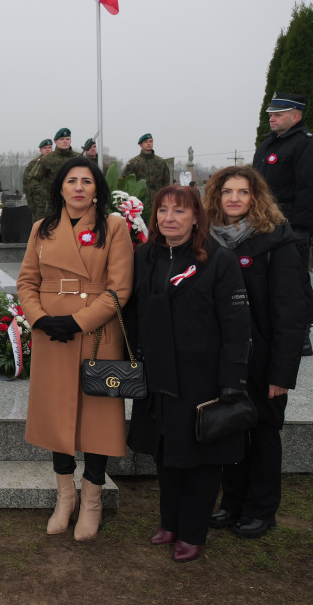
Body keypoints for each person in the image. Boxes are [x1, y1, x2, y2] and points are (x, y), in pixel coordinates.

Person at [127, 185, 250, 563]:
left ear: (196, 216)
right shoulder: (144, 256)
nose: (169, 218)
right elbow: (132, 311)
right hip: (159, 373)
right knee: (166, 452)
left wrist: (233, 379)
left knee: (200, 455)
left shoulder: (218, 260)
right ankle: (170, 522)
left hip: (203, 376)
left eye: (179, 212)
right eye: (163, 211)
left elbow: (236, 323)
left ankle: (193, 531)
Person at [16, 157, 134, 541]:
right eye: (71, 181)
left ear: (97, 188)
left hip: (97, 333)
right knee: (56, 415)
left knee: (97, 417)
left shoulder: (114, 227)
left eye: (86, 181)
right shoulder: (41, 228)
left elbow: (120, 289)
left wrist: (79, 320)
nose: (79, 187)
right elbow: (26, 283)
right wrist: (40, 318)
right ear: (61, 188)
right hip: (51, 336)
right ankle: (64, 498)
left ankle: (92, 500)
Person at [202, 166, 306, 539]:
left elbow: (292, 312)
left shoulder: (277, 241)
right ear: (215, 197)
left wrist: (282, 373)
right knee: (231, 431)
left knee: (262, 434)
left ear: (255, 197)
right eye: (226, 191)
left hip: (264, 360)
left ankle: (261, 510)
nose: (233, 198)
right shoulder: (209, 241)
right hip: (226, 359)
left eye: (242, 192)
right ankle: (231, 502)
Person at [253, 93, 313, 356]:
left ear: (295, 116)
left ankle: (301, 334)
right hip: (263, 223)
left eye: (277, 114)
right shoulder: (268, 146)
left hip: (291, 224)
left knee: (295, 280)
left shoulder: (304, 144)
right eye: (270, 115)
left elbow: (308, 188)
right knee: (264, 278)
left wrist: (300, 228)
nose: (272, 119)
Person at [35, 129, 76, 215]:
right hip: (54, 207)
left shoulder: (79, 158)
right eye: (62, 139)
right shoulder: (46, 159)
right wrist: (48, 195)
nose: (65, 141)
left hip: (75, 205)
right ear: (55, 141)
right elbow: (33, 180)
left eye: (67, 139)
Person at [122, 133, 172, 203]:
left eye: (151, 141)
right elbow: (126, 182)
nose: (149, 143)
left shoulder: (161, 162)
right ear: (140, 145)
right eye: (146, 142)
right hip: (139, 200)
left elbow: (166, 182)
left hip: (158, 199)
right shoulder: (133, 162)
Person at [22, 139, 53, 222]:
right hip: (39, 205)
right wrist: (31, 205)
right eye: (45, 148)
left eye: (50, 147)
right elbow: (27, 185)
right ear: (40, 150)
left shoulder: (55, 163)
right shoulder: (33, 164)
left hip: (54, 203)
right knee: (39, 229)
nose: (48, 150)